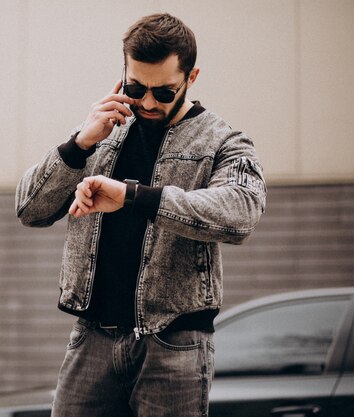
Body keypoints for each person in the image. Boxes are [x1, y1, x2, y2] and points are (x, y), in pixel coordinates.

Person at [16, 12, 266, 417]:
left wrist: (134, 197)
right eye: (136, 87)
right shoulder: (102, 131)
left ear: (191, 77)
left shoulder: (224, 140)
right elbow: (29, 210)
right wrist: (79, 144)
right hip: (92, 339)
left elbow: (241, 212)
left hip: (175, 345)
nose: (148, 102)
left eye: (164, 92)